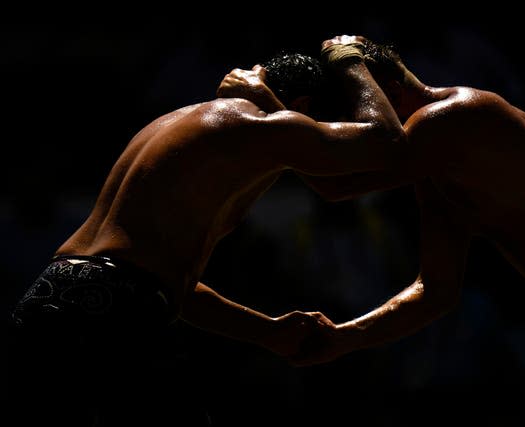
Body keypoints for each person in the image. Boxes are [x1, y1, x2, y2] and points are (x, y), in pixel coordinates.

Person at [5, 35, 406, 427]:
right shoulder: (262, 126)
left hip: (55, 292)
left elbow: (169, 287)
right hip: (119, 306)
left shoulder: (176, 125)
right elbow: (387, 141)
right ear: (300, 108)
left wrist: (268, 332)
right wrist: (347, 58)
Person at [275, 38, 525, 425]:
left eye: (360, 118)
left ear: (390, 95)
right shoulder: (438, 169)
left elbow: (338, 184)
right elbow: (436, 290)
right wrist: (345, 338)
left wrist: (275, 116)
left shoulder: (453, 115)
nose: (358, 132)